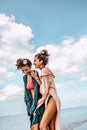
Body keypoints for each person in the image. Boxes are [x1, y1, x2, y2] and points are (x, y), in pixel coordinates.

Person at [31, 49, 61, 130]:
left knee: (42, 126)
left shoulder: (43, 72)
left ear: (41, 61)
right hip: (53, 98)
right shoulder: (46, 71)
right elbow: (45, 86)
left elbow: (44, 91)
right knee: (52, 127)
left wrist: (36, 78)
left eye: (35, 61)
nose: (33, 63)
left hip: (51, 99)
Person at [16, 58, 45, 130]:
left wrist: (34, 108)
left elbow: (40, 90)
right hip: (32, 105)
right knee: (34, 127)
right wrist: (29, 108)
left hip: (39, 103)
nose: (25, 72)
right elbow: (26, 95)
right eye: (23, 70)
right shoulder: (24, 78)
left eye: (26, 69)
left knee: (35, 127)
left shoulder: (35, 73)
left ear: (30, 66)